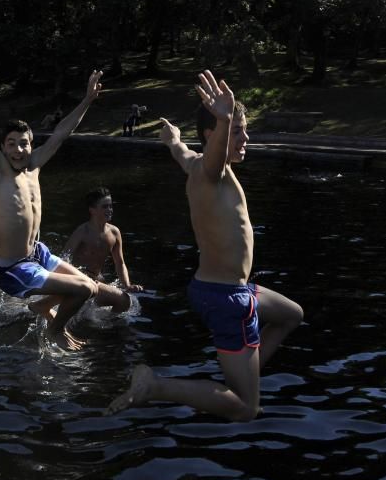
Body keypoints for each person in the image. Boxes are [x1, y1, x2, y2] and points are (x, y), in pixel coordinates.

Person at [106, 70, 303, 422]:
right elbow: (211, 154)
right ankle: (157, 386)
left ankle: (246, 367)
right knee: (246, 409)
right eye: (238, 131)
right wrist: (225, 117)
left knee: (291, 315)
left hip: (212, 287)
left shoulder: (197, 165)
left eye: (243, 129)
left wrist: (172, 139)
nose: (246, 137)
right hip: (228, 297)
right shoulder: (214, 174)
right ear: (213, 136)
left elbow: (181, 152)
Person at [0, 63, 132, 348]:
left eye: (24, 144)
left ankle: (42, 307)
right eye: (11, 144)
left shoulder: (35, 165)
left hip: (38, 254)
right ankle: (55, 331)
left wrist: (87, 99)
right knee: (85, 288)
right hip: (14, 268)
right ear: (3, 148)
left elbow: (62, 132)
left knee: (98, 291)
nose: (18, 150)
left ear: (31, 144)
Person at [62, 187, 143, 292]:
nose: (110, 210)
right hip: (79, 279)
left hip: (96, 279)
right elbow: (63, 258)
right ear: (92, 210)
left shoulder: (114, 232)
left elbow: (120, 263)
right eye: (105, 207)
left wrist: (127, 285)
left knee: (125, 301)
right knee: (120, 300)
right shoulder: (82, 231)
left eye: (110, 206)